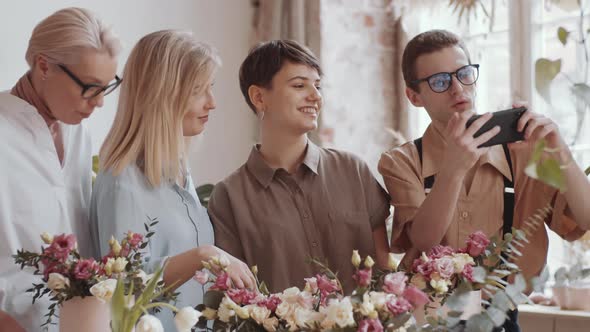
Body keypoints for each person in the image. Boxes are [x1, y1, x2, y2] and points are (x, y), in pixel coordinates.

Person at [378, 29, 590, 331]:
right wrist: (453, 168)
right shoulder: (401, 161)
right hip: (428, 320)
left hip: (501, 318)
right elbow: (423, 241)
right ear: (414, 96)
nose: (457, 88)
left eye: (464, 73)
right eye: (440, 81)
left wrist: (560, 150)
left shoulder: (520, 151)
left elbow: (586, 217)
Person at [90, 30, 256, 330]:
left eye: (211, 87)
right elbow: (123, 289)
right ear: (162, 94)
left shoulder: (178, 172)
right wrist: (204, 255)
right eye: (198, 90)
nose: (212, 102)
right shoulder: (122, 183)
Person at [208, 40, 391, 294]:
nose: (315, 96)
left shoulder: (353, 170)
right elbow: (236, 298)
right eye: (299, 85)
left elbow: (385, 273)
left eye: (317, 86)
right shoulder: (229, 197)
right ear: (259, 97)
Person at [0, 7, 121, 331]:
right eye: (91, 87)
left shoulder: (77, 132)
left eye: (107, 87)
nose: (99, 103)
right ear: (43, 66)